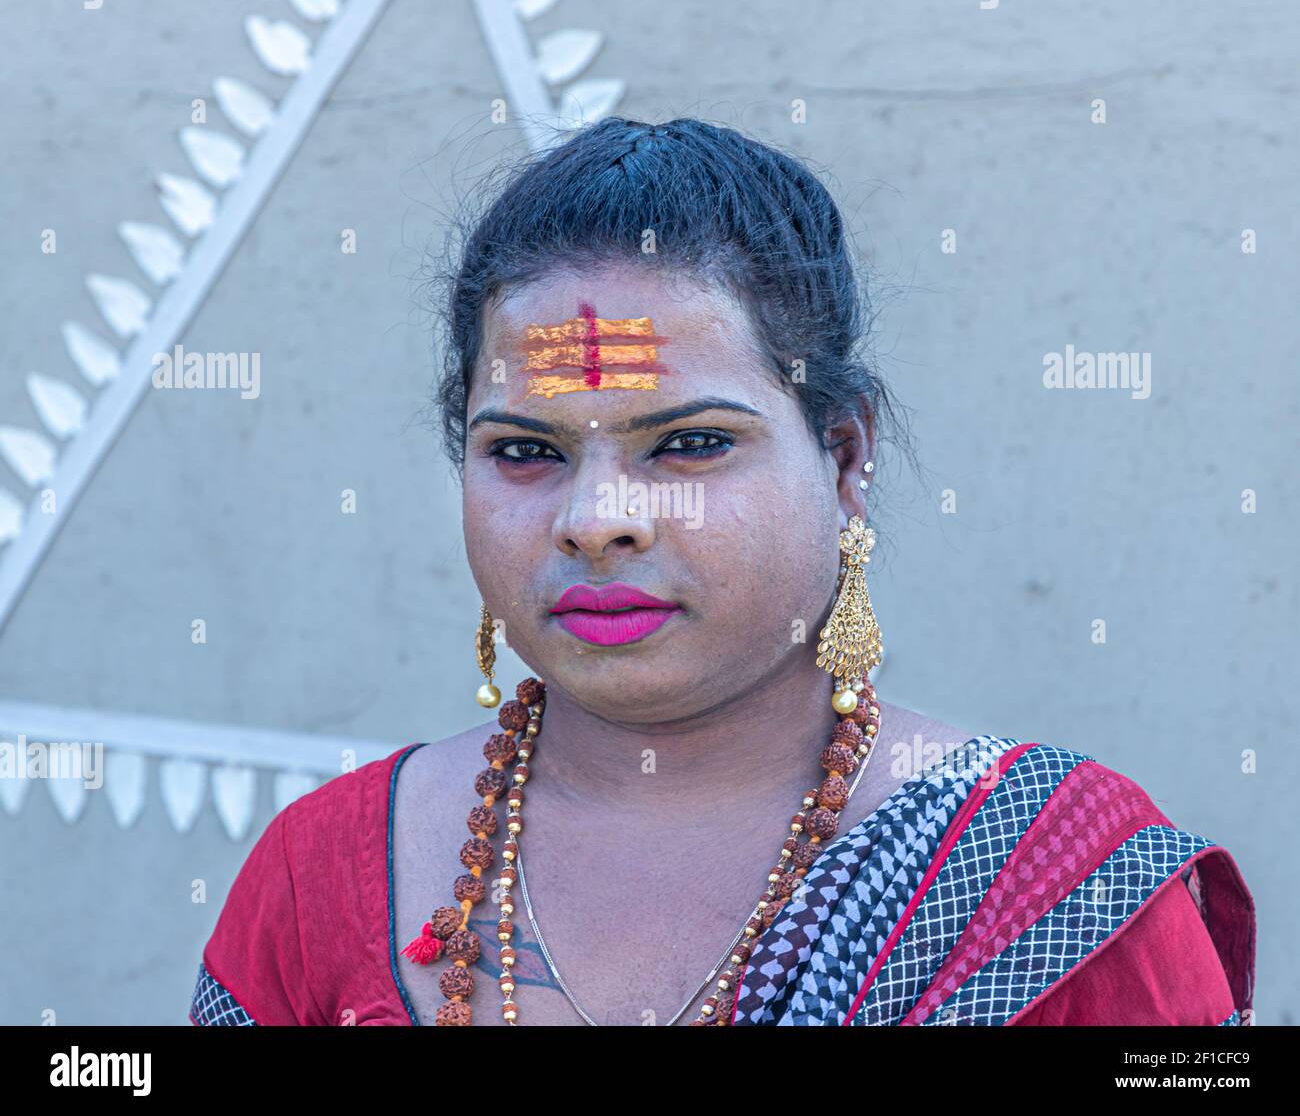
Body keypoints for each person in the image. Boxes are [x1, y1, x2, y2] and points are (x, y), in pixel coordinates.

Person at [190, 117, 1254, 1026]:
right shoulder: (319, 878)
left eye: (690, 443)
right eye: (524, 450)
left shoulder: (1049, 881)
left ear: (844, 456)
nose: (595, 521)